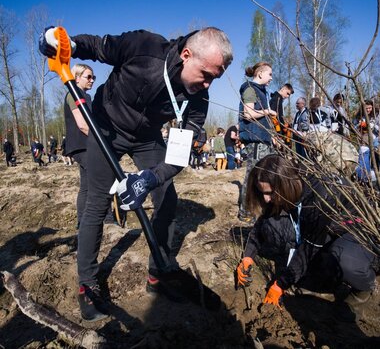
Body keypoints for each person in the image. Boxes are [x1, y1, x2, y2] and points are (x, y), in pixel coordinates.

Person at [40, 26, 233, 321]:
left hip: (147, 137)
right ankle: (87, 285)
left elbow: (179, 156)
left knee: (167, 199)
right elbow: (98, 45)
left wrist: (149, 178)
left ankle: (159, 274)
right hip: (106, 127)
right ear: (186, 55)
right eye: (206, 74)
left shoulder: (197, 100)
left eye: (214, 79)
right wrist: (66, 44)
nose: (208, 85)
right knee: (97, 203)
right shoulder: (144, 47)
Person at [236, 154, 377, 322]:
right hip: (324, 228)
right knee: (277, 228)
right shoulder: (289, 187)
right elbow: (263, 223)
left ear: (284, 184)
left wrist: (280, 284)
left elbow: (309, 247)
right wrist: (248, 256)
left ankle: (363, 289)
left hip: (358, 230)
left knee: (346, 260)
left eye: (269, 193)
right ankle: (318, 275)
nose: (266, 199)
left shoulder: (319, 194)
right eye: (262, 193)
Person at [237, 62, 277, 222]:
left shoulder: (262, 92)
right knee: (253, 176)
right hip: (255, 141)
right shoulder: (250, 89)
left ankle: (259, 210)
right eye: (270, 74)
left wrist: (272, 136)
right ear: (260, 74)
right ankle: (246, 212)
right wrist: (267, 111)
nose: (271, 78)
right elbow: (248, 114)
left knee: (264, 176)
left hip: (264, 140)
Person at [64, 64, 95, 229]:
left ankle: (81, 222)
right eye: (88, 77)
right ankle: (106, 218)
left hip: (86, 144)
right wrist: (100, 141)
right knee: (99, 179)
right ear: (76, 78)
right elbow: (83, 125)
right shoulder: (73, 94)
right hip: (81, 144)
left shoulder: (86, 96)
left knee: (86, 184)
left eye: (93, 77)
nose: (92, 80)